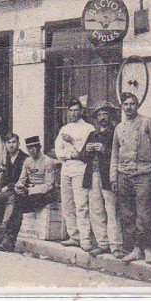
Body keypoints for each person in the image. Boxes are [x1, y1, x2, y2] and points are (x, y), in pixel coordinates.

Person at [110, 92, 151, 265]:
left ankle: (147, 249)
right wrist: (113, 178)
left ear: (138, 105)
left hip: (143, 174)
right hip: (123, 175)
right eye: (125, 104)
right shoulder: (119, 127)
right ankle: (136, 248)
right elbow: (114, 154)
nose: (129, 107)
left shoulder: (148, 123)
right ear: (122, 107)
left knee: (144, 213)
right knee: (127, 214)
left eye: (132, 103)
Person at [0, 136, 58, 253]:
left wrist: (29, 191)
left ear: (39, 147)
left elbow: (49, 185)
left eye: (34, 147)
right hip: (31, 193)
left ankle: (8, 238)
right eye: (29, 148)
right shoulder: (27, 161)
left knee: (16, 202)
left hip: (45, 194)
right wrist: (18, 187)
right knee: (14, 199)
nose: (32, 150)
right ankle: (7, 237)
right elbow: (22, 179)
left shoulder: (48, 162)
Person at [54, 98, 95, 251]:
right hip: (66, 168)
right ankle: (74, 236)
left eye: (76, 110)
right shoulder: (64, 128)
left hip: (80, 169)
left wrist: (72, 142)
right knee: (67, 204)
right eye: (71, 110)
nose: (73, 113)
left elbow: (84, 152)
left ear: (82, 111)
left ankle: (85, 238)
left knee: (81, 205)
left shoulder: (88, 128)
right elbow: (58, 152)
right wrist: (71, 155)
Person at [79, 101, 118, 257]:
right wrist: (87, 149)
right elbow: (81, 156)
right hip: (93, 176)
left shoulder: (116, 132)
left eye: (105, 114)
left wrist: (104, 150)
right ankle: (102, 243)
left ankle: (115, 245)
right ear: (96, 118)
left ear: (110, 116)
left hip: (108, 176)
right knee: (96, 210)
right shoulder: (92, 134)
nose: (102, 118)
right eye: (99, 115)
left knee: (111, 210)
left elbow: (120, 154)